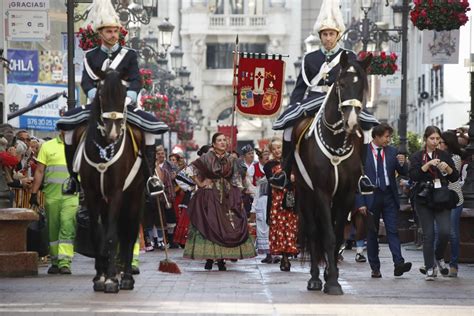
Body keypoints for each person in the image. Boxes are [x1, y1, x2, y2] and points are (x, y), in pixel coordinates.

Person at [56, 0, 168, 195]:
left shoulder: (129, 55)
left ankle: (151, 178)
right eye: (108, 31)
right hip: (98, 104)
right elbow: (86, 82)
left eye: (116, 31)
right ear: (100, 34)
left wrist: (129, 98)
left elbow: (136, 80)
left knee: (150, 130)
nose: (113, 35)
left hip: (123, 103)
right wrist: (95, 97)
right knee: (67, 127)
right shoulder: (90, 56)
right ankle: (73, 179)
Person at [271, 0, 378, 194]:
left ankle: (363, 174)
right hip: (314, 99)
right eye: (325, 34)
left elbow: (355, 84)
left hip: (341, 101)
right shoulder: (310, 58)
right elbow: (300, 87)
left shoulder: (349, 56)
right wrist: (294, 106)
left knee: (367, 127)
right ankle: (285, 172)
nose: (328, 38)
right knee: (288, 127)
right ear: (320, 36)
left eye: (331, 34)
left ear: (338, 36)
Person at [183, 133, 256, 271]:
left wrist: (240, 192)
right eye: (219, 140)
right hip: (210, 195)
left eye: (224, 140)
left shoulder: (232, 159)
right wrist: (200, 182)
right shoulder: (206, 158)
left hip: (228, 196)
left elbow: (237, 179)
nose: (222, 142)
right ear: (213, 144)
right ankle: (210, 258)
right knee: (210, 224)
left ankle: (221, 259)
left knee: (226, 226)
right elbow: (188, 169)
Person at [355, 123, 411, 278]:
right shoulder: (362, 151)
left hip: (388, 196)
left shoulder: (392, 152)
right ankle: (375, 267)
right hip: (370, 196)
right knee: (372, 233)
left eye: (389, 137)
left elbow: (404, 172)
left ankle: (398, 263)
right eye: (386, 137)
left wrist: (402, 163)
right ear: (377, 137)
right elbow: (356, 178)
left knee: (393, 230)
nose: (389, 140)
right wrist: (360, 202)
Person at [409, 126, 459, 281]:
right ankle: (429, 267)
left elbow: (455, 178)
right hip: (423, 198)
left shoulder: (444, 155)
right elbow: (413, 176)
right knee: (428, 234)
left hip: (441, 197)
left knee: (445, 231)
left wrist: (449, 169)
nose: (435, 142)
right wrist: (428, 164)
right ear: (425, 139)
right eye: (432, 138)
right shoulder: (417, 156)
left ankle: (438, 256)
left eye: (438, 139)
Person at [29, 131, 79, 275]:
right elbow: (39, 171)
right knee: (53, 229)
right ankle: (55, 261)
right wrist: (34, 193)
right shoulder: (47, 146)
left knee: (67, 224)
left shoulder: (77, 147)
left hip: (71, 195)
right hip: (52, 196)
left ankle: (65, 262)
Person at [264, 137, 298, 272]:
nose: (278, 150)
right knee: (279, 228)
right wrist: (287, 177)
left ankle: (289, 252)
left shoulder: (292, 161)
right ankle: (284, 256)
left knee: (291, 227)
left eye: (279, 147)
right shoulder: (269, 165)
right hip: (277, 201)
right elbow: (271, 181)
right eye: (275, 148)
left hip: (290, 198)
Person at [438, 131, 464, 277]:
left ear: (447, 144)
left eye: (441, 142)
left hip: (454, 200)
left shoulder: (456, 158)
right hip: (440, 200)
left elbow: (450, 176)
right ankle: (436, 263)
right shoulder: (435, 157)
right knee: (437, 232)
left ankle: (454, 265)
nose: (438, 144)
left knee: (453, 233)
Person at [248, 147, 274, 263]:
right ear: (260, 156)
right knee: (263, 226)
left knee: (272, 226)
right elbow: (250, 184)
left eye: (268, 153)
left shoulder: (274, 167)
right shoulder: (253, 168)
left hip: (272, 198)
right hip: (261, 199)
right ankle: (268, 253)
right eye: (265, 154)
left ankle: (274, 252)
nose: (267, 156)